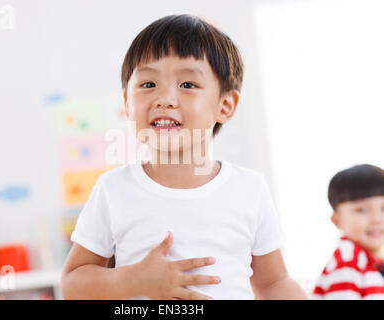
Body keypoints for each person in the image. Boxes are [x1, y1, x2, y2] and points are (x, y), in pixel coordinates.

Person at [61, 14, 308, 300]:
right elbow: (72, 284)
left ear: (225, 106)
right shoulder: (113, 190)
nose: (164, 98)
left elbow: (273, 283)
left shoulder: (250, 189)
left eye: (187, 85)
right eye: (148, 84)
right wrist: (134, 281)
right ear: (128, 104)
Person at [313, 164, 384, 299]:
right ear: (337, 220)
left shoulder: (370, 260)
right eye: (361, 210)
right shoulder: (348, 259)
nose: (377, 219)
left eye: (383, 208)